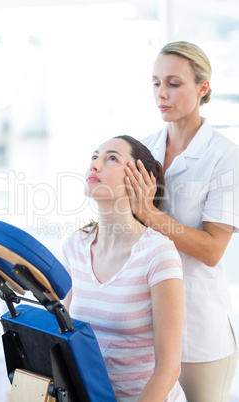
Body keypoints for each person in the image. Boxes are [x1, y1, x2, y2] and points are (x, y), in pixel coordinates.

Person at [125, 41, 239, 402]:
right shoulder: (142, 150)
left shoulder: (225, 158)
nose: (162, 94)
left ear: (202, 88)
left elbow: (211, 250)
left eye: (174, 84)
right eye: (156, 83)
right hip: (147, 325)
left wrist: (151, 215)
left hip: (199, 331)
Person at [61, 135, 186, 401]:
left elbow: (169, 368)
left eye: (112, 158)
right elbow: (62, 332)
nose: (94, 165)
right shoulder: (75, 245)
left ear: (140, 178)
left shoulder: (158, 253)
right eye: (94, 157)